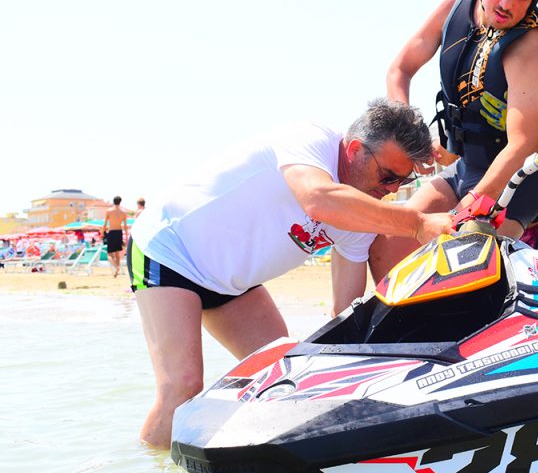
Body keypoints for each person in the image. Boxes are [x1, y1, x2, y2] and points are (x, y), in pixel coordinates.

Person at [128, 99, 454, 448]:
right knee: (182, 386)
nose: (392, 190)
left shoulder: (364, 215)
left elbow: (344, 310)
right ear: (355, 150)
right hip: (172, 252)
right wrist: (416, 223)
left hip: (233, 285)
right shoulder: (309, 140)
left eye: (402, 180)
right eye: (387, 176)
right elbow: (318, 200)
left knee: (285, 379)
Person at [370, 0, 538, 280]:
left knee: (460, 263)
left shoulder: (534, 47)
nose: (505, 3)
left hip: (517, 181)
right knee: (386, 243)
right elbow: (400, 69)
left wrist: (471, 207)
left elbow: (523, 145)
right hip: (466, 166)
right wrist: (406, 136)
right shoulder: (453, 9)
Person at [102, 195, 129, 278]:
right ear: (120, 202)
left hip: (112, 232)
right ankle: (116, 272)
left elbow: (105, 224)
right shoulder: (123, 212)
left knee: (109, 254)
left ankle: (116, 267)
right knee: (117, 253)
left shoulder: (109, 211)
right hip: (119, 232)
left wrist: (102, 233)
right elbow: (125, 226)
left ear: (113, 201)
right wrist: (126, 237)